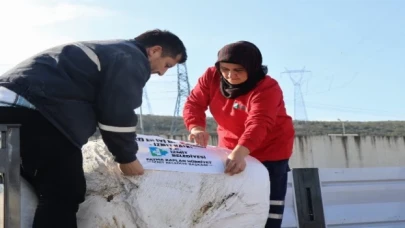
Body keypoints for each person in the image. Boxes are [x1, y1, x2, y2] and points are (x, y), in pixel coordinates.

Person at [0, 29, 187, 228]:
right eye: (167, 65)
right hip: (35, 113)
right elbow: (117, 111)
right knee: (64, 191)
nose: (161, 73)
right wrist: (126, 158)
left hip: (9, 109)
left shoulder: (107, 50)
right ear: (155, 51)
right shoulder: (130, 57)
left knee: (17, 189)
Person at [183, 41, 294, 228]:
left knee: (268, 209)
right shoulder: (211, 76)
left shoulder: (267, 87)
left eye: (238, 70)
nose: (230, 75)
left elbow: (259, 123)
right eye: (225, 69)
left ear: (252, 68)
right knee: (229, 207)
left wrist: (241, 153)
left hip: (270, 152)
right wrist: (196, 127)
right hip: (229, 150)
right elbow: (194, 103)